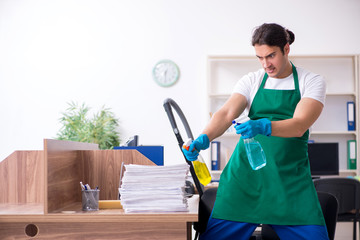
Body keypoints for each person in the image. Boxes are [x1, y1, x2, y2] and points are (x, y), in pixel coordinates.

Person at [182, 23, 329, 240]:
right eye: (259, 57)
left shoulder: (311, 81)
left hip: (289, 182)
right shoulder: (252, 80)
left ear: (286, 49)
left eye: (271, 56)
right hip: (245, 181)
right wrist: (205, 137)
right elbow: (225, 113)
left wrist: (264, 125)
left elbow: (299, 125)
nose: (265, 64)